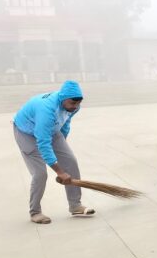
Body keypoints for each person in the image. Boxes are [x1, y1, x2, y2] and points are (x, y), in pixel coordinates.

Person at [13, 80, 95, 224]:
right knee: (40, 174)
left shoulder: (73, 106)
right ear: (63, 99)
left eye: (78, 103)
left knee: (70, 161)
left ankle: (75, 205)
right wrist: (59, 172)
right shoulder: (47, 109)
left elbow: (65, 123)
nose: (75, 107)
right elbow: (43, 143)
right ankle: (35, 212)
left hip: (52, 129)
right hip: (26, 131)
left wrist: (63, 148)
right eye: (72, 103)